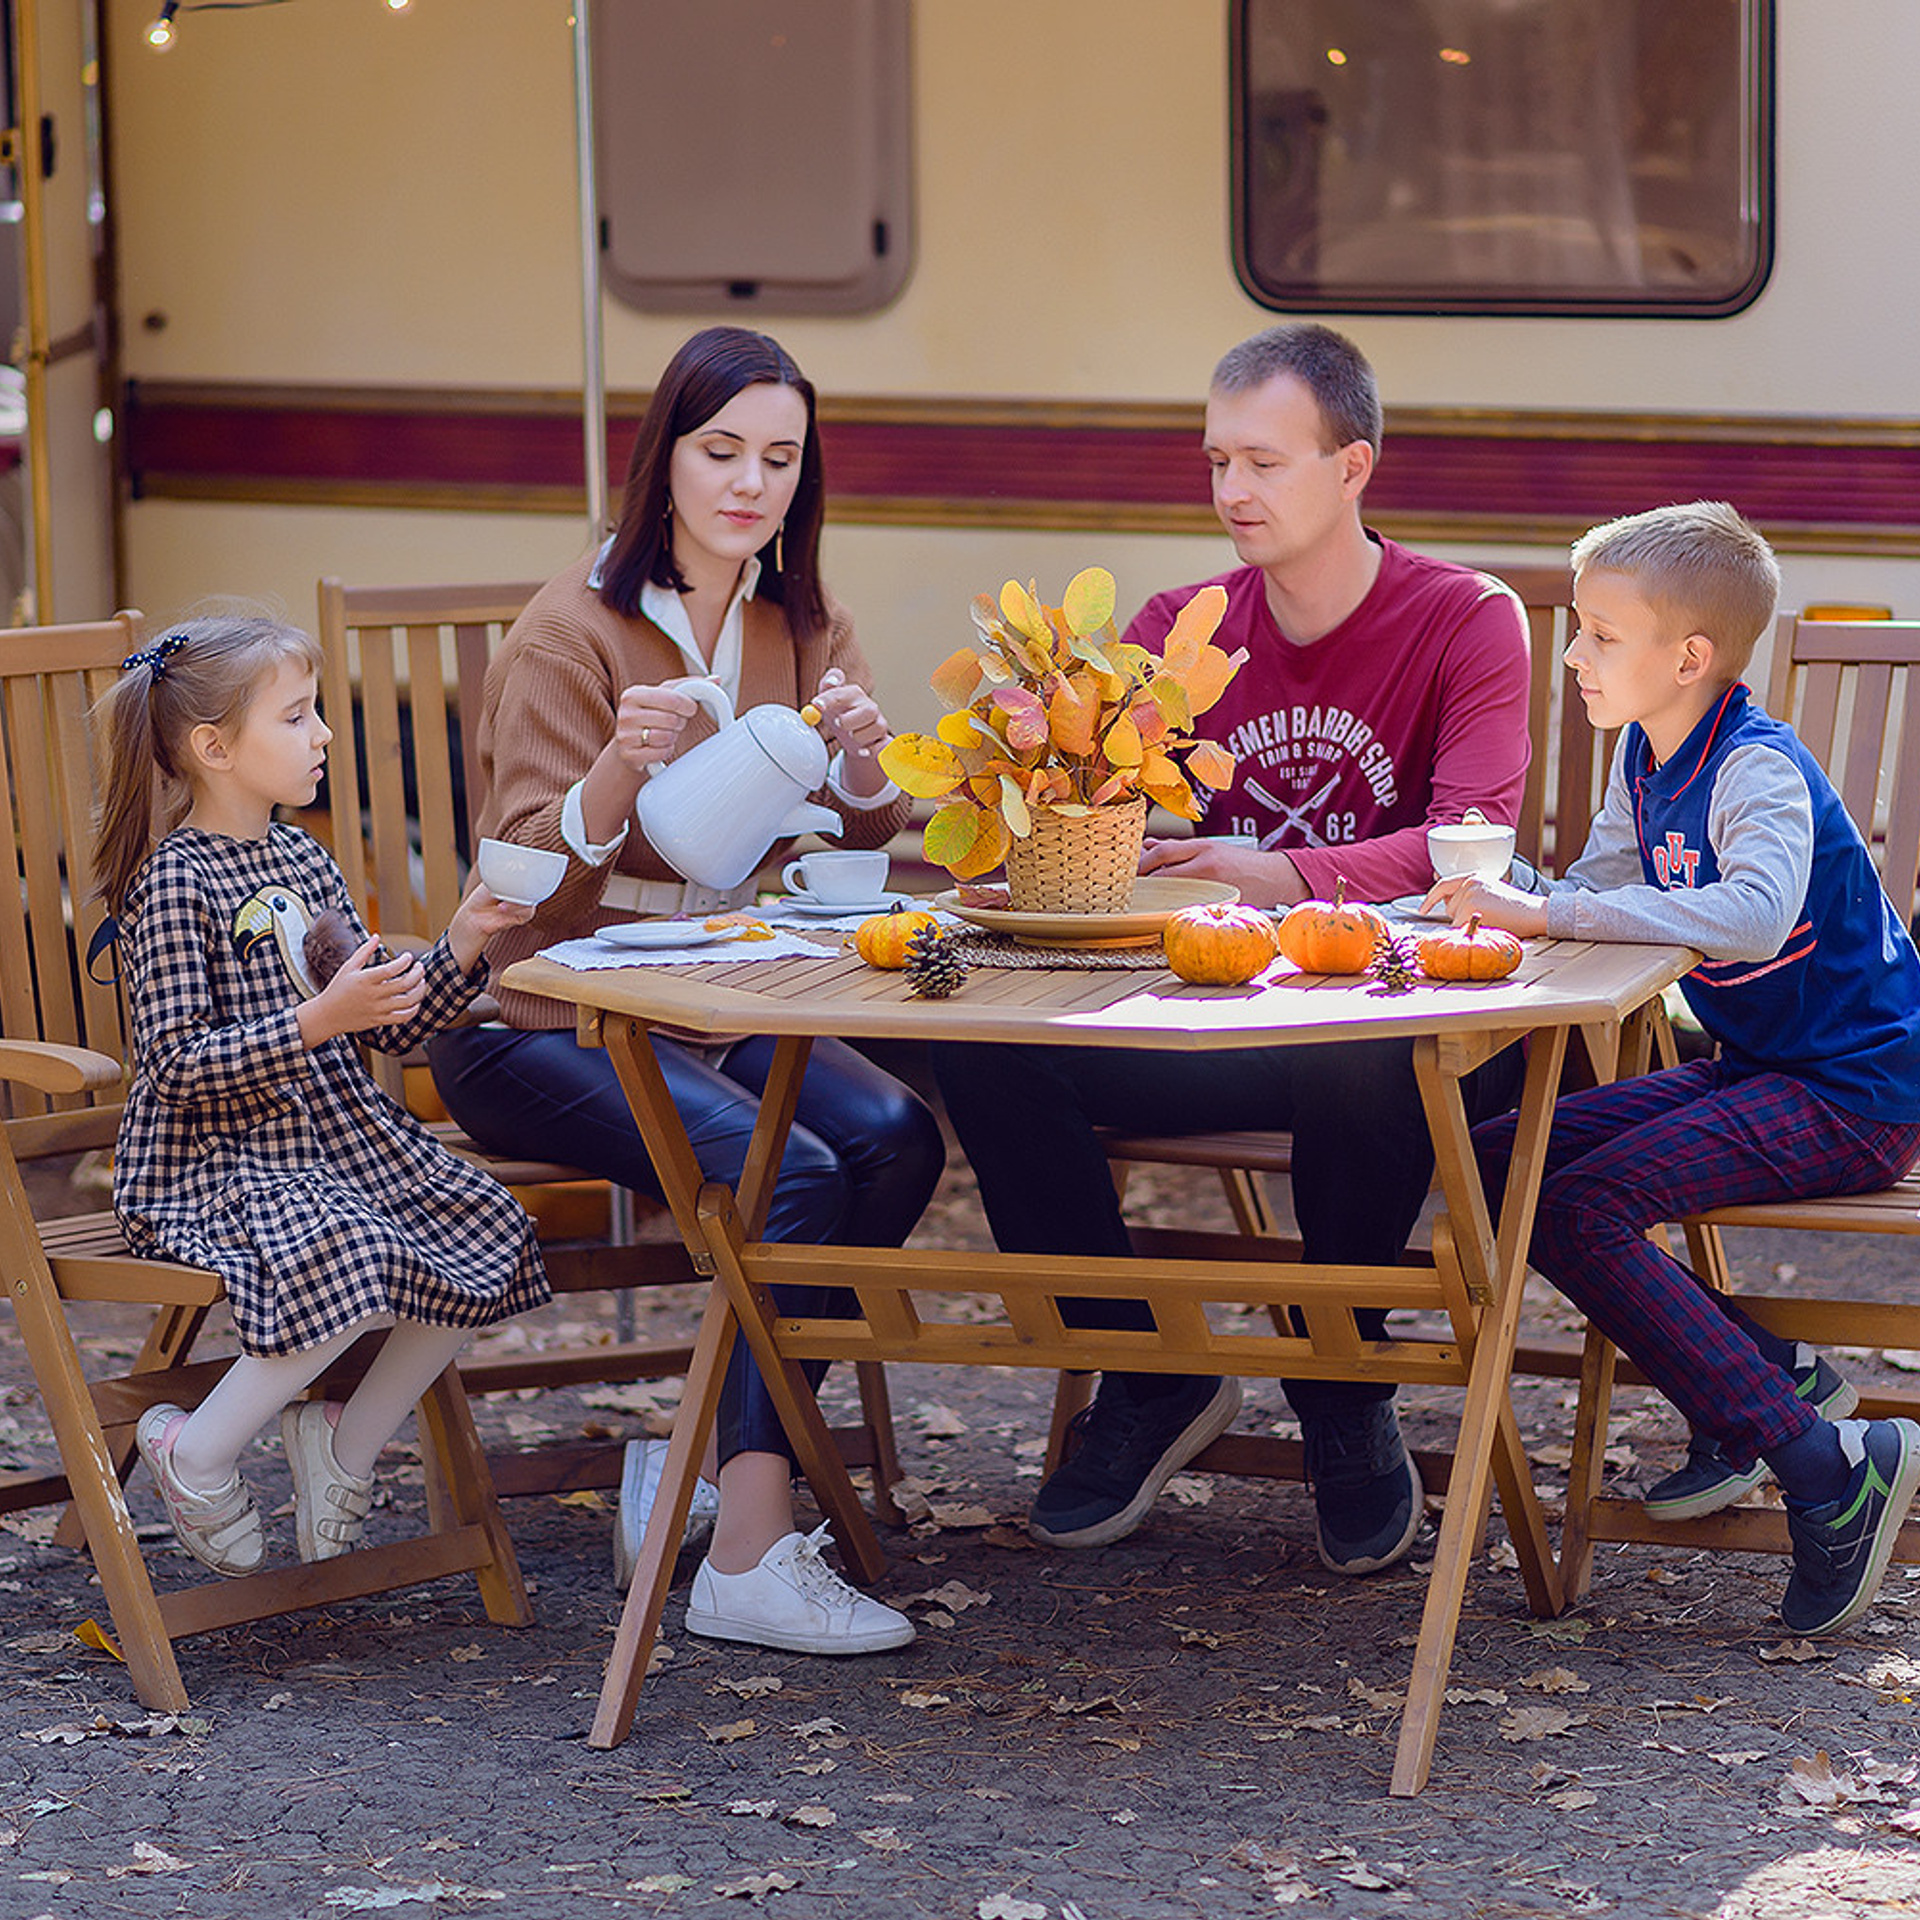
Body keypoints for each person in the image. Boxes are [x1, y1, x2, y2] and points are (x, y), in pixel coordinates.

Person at [932, 322, 1532, 1572]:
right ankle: (1149, 1370)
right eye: (1216, 463)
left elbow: (1470, 842)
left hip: (1396, 1022)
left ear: (1353, 466)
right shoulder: (1172, 628)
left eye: (1263, 462)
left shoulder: (1467, 618)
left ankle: (1343, 1392)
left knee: (1360, 1056)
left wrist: (1283, 872)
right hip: (1216, 1013)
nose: (1231, 493)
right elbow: (1100, 826)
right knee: (987, 1049)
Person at [427, 325, 943, 1656]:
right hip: (533, 1013)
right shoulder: (571, 630)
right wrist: (613, 768)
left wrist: (867, 769)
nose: (749, 482)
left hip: (713, 998)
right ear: (666, 459)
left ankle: (706, 1464)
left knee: (893, 1139)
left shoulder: (803, 625)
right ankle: (749, 1553)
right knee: (802, 1173)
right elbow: (510, 881)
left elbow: (848, 853)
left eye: (779, 458)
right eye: (722, 451)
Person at [1446, 501, 1920, 1635]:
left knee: (1583, 1207)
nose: (1573, 654)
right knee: (1501, 1160)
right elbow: (1600, 883)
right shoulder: (1645, 758)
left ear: (1689, 657)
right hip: (1760, 1065)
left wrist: (1553, 907)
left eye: (1600, 635)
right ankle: (1768, 1383)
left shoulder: (1758, 770)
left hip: (1854, 1090)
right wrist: (1497, 894)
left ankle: (1822, 1468)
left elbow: (1753, 917)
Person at [95, 614, 551, 1578]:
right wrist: (316, 1021)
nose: (324, 734)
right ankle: (199, 1449)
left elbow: (386, 1023)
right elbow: (174, 1064)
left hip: (340, 1142)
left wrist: (464, 938)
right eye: (297, 717)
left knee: (487, 1221)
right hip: (212, 1161)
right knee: (347, 1247)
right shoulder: (170, 881)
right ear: (213, 749)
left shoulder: (303, 860)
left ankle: (344, 1440)